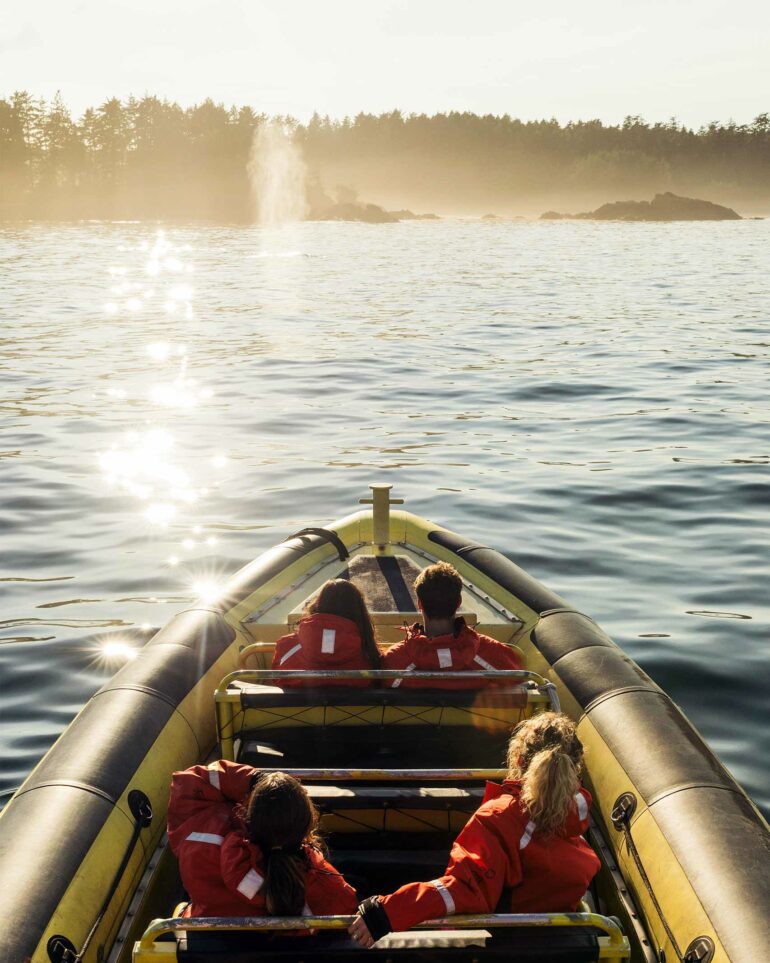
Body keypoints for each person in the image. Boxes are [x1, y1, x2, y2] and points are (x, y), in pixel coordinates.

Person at [348, 712, 600, 946]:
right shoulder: (575, 823)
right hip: (558, 945)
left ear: (519, 760)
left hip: (511, 946)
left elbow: (467, 889)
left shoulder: (500, 817)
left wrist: (387, 911)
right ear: (574, 771)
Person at [167, 759, 358, 918]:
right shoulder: (322, 886)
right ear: (306, 826)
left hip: (206, 941)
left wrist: (253, 779)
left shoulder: (201, 841)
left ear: (249, 813)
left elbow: (189, 783)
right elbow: (350, 910)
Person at [382, 561, 523, 688]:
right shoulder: (494, 655)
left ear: (419, 603)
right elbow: (520, 680)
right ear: (459, 602)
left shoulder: (393, 663)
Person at [272, 579, 381, 687]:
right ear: (359, 610)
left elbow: (278, 680)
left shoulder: (286, 646)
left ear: (318, 603)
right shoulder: (369, 652)